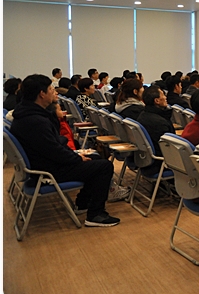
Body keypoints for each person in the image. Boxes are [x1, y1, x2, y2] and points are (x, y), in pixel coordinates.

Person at [10, 74, 120, 227]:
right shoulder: (35, 121)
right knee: (104, 166)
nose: (54, 91)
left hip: (43, 163)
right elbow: (54, 150)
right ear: (42, 94)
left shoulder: (26, 114)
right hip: (48, 170)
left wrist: (74, 154)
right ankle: (95, 214)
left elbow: (53, 145)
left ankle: (82, 204)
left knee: (95, 159)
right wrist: (77, 158)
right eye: (51, 89)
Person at [136, 85, 175, 174]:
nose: (165, 97)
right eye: (163, 95)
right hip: (161, 163)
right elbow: (169, 149)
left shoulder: (143, 115)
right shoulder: (160, 123)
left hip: (147, 161)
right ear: (157, 101)